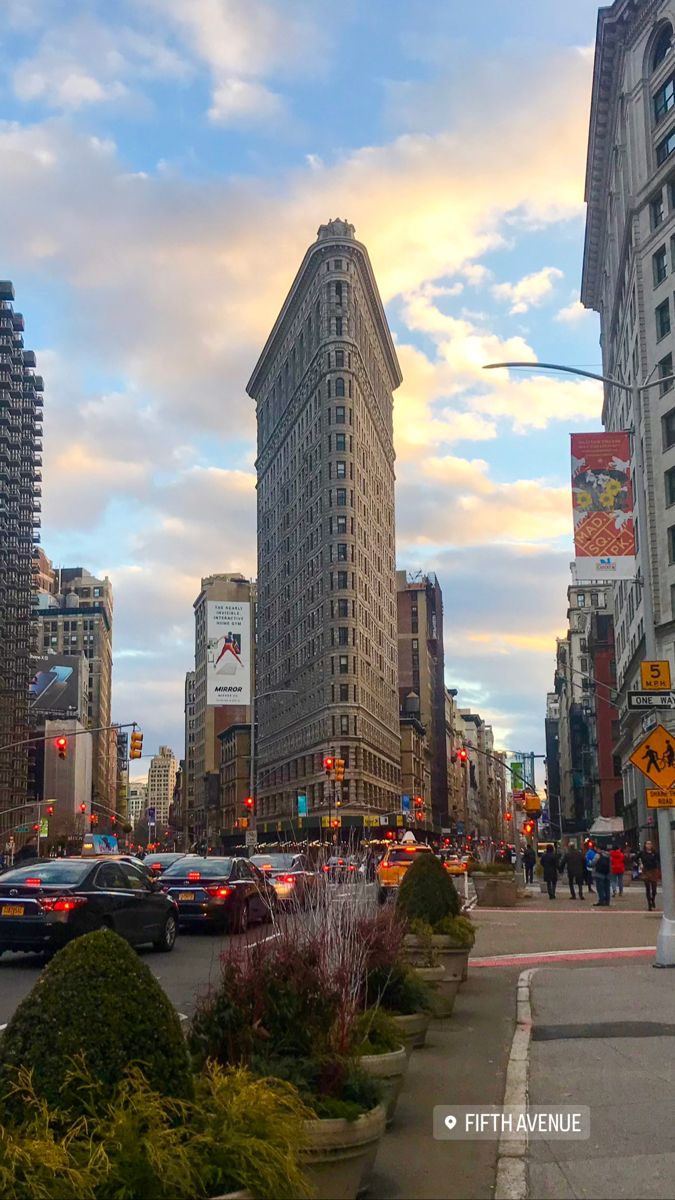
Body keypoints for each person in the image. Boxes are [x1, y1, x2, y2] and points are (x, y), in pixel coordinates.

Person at [639, 840, 660, 911]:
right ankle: (649, 905)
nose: (649, 845)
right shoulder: (642, 853)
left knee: (654, 889)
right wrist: (640, 864)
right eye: (647, 844)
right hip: (646, 871)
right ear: (645, 845)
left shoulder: (655, 853)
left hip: (654, 870)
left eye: (650, 844)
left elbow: (659, 860)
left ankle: (653, 899)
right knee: (647, 888)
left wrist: (658, 867)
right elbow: (635, 858)